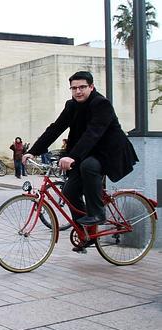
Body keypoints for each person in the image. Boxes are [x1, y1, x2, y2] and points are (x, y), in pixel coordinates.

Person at [23, 71, 138, 251]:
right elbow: (55, 129)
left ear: (91, 87)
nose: (78, 91)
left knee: (89, 166)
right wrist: (33, 151)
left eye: (82, 87)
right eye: (74, 88)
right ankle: (86, 233)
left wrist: (72, 156)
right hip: (86, 152)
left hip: (108, 152)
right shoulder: (72, 106)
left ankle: (97, 213)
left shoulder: (101, 104)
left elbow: (93, 133)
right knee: (69, 193)